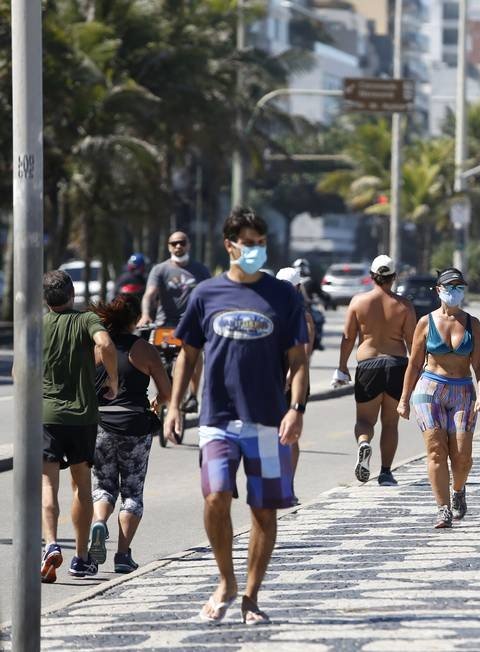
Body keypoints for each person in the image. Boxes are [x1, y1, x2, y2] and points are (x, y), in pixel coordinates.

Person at [163, 207, 309, 624]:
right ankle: (225, 580)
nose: (256, 251)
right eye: (248, 244)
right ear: (230, 245)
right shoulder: (205, 294)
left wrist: (296, 409)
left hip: (268, 421)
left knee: (264, 510)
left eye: (261, 244)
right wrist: (174, 406)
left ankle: (251, 596)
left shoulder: (284, 296)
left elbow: (298, 360)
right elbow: (187, 355)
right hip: (218, 419)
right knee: (215, 496)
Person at [41, 270, 119, 583]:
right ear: (72, 294)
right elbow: (105, 343)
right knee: (81, 486)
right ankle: (81, 557)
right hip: (83, 415)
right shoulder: (86, 319)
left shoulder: (38, 325)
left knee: (48, 483)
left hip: (47, 415)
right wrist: (113, 380)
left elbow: (20, 371)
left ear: (45, 299)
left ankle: (50, 543)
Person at [398, 268, 480, 528]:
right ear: (438, 290)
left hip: (463, 391)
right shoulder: (425, 322)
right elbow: (414, 364)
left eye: (459, 286)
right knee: (436, 451)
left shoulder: (472, 323)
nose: (454, 291)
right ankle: (443, 509)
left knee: (462, 456)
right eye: (449, 286)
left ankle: (458, 490)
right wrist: (404, 399)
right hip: (430, 390)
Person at [87, 294, 171, 574]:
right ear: (135, 320)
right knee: (132, 492)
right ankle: (122, 555)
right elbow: (167, 391)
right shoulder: (145, 350)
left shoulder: (98, 347)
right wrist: (157, 403)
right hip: (135, 424)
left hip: (101, 423)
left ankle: (99, 523)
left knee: (103, 486)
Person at [333, 255, 416, 486]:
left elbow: (348, 337)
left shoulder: (358, 302)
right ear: (394, 277)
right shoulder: (404, 305)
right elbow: (413, 343)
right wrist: (418, 372)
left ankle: (363, 442)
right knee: (390, 423)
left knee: (364, 421)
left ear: (371, 276)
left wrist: (342, 367)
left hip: (368, 365)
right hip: (396, 365)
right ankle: (386, 473)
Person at [139, 230, 211, 414]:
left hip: (191, 324)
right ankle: (158, 395)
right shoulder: (160, 270)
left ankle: (193, 396)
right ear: (169, 246)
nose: (178, 246)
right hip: (164, 325)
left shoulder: (201, 270)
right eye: (174, 243)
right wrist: (146, 314)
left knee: (195, 354)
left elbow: (211, 296)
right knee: (154, 359)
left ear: (189, 245)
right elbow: (149, 295)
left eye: (182, 242)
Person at [277, 267, 317, 477]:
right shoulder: (271, 312)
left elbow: (304, 354)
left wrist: (289, 378)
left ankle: (287, 484)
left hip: (293, 381)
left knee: (289, 432)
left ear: (298, 288)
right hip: (275, 380)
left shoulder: (303, 317)